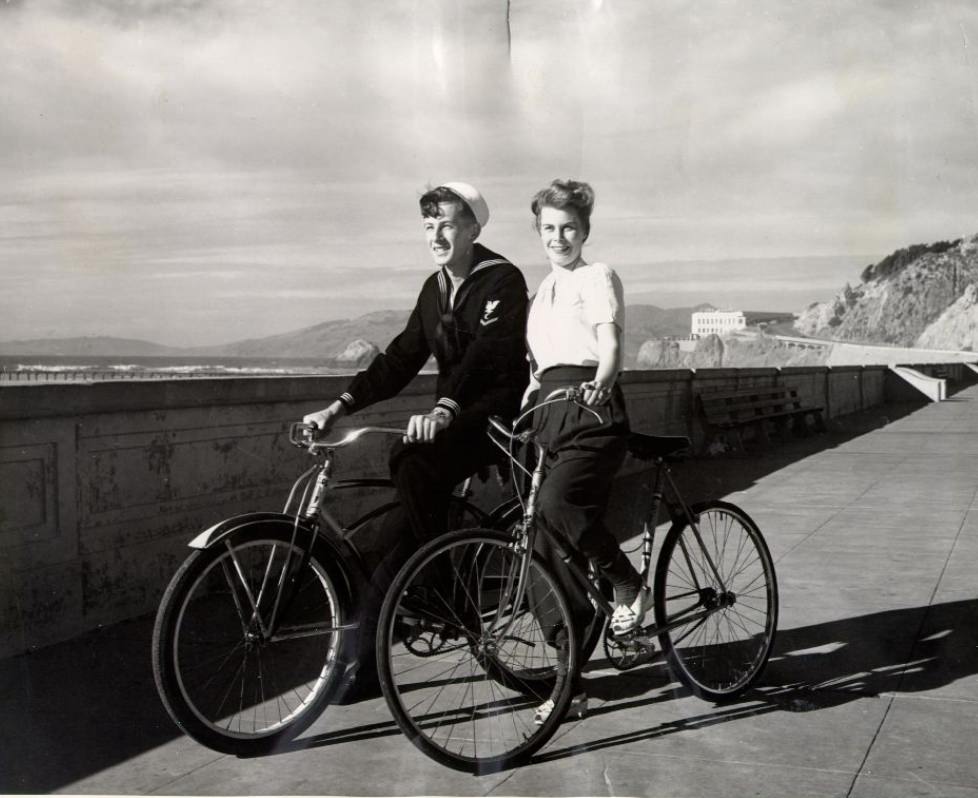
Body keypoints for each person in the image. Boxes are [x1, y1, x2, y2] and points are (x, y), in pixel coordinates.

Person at [302, 182, 529, 690]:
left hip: (495, 416)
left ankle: (444, 587)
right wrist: (338, 407)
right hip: (452, 417)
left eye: (448, 224)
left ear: (473, 228)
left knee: (409, 458)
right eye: (429, 226)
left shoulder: (503, 281)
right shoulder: (435, 289)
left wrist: (447, 408)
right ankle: (365, 666)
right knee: (391, 540)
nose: (437, 235)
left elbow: (486, 357)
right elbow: (401, 358)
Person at [524, 178, 651, 722]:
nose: (559, 237)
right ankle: (569, 670)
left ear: (585, 230)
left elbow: (612, 342)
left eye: (568, 227)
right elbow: (539, 367)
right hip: (550, 415)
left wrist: (602, 379)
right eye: (549, 229)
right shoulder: (542, 291)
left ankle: (627, 582)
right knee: (541, 541)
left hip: (593, 412)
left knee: (559, 506)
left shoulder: (597, 276)